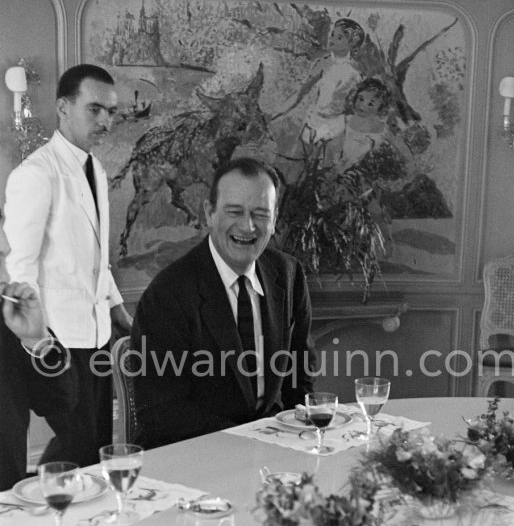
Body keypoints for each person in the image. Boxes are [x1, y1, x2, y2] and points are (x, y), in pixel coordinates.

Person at [131, 156, 316, 449]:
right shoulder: (167, 294)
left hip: (272, 453)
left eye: (260, 214)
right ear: (209, 213)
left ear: (275, 217)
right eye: (234, 211)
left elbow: (300, 376)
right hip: (191, 457)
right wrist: (248, 443)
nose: (248, 226)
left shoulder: (288, 275)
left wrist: (298, 440)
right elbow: (161, 411)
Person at [3, 64, 132, 468]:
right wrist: (37, 337)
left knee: (93, 443)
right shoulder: (36, 173)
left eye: (111, 112)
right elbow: (20, 267)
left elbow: (98, 258)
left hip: (96, 334)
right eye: (95, 109)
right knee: (76, 444)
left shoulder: (96, 169)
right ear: (63, 107)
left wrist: (116, 308)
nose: (105, 121)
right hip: (57, 337)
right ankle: (51, 507)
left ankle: (80, 514)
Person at [0, 269, 74, 491]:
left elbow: (60, 402)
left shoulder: (7, 319)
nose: (5, 274)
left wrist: (37, 340)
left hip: (9, 499)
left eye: (4, 257)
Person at [272, 18, 365, 146]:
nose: (332, 39)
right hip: (314, 121)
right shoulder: (324, 63)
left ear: (352, 44)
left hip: (336, 126)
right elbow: (301, 92)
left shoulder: (355, 73)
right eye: (332, 34)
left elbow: (355, 107)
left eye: (339, 38)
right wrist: (279, 111)